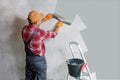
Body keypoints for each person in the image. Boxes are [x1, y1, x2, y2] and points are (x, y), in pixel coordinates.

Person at [22, 10, 63, 80]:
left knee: (29, 78)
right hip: (38, 61)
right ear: (38, 22)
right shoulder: (40, 32)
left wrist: (44, 19)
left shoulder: (24, 29)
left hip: (28, 59)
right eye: (40, 19)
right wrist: (58, 26)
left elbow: (34, 26)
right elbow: (53, 34)